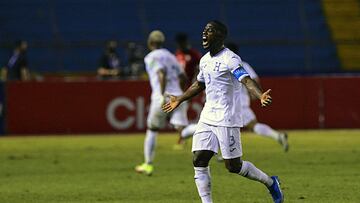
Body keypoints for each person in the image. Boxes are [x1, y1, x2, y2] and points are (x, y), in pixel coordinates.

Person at [162, 21, 284, 203]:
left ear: (220, 35)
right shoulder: (204, 60)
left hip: (227, 118)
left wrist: (259, 96)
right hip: (207, 116)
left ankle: (270, 182)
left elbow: (246, 79)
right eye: (204, 30)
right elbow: (199, 84)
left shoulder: (231, 58)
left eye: (209, 31)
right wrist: (179, 99)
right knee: (199, 160)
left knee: (233, 166)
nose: (204, 34)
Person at [135, 30, 196, 176]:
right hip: (177, 96)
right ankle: (205, 127)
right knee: (183, 131)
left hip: (162, 97)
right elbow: (183, 76)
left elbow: (160, 73)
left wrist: (162, 94)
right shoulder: (171, 56)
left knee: (152, 129)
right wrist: (181, 93)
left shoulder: (150, 57)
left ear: (150, 43)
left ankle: (148, 165)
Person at [226, 42, 289, 152]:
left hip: (233, 102)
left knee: (227, 127)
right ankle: (277, 136)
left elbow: (252, 80)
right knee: (242, 126)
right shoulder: (243, 65)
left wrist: (257, 94)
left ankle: (225, 152)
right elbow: (254, 79)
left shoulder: (227, 65)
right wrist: (255, 93)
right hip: (240, 102)